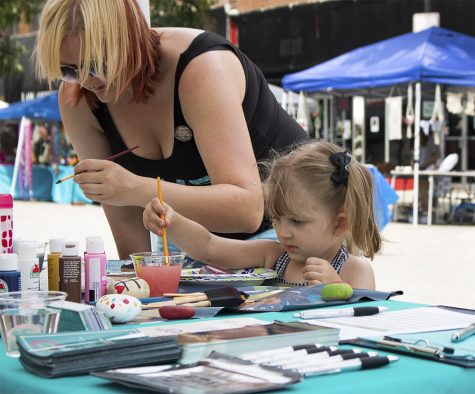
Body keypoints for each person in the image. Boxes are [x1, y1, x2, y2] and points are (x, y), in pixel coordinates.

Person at [35, 0, 308, 259]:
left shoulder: (200, 69)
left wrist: (136, 189)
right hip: (199, 243)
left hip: (293, 231)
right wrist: (137, 291)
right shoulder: (77, 98)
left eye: (97, 65)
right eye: (68, 70)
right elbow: (126, 221)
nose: (85, 80)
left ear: (128, 40)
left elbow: (248, 210)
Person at [144, 141, 381, 289]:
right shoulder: (273, 256)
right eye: (277, 218)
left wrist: (337, 288)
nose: (283, 232)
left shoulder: (354, 271)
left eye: (297, 221)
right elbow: (210, 247)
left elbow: (364, 326)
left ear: (340, 223)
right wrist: (173, 221)